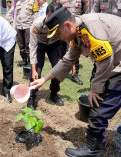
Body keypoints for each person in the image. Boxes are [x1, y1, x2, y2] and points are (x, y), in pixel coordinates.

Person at [31, 7, 121, 156]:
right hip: (114, 62)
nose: (58, 37)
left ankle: (93, 149)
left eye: (58, 33)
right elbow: (67, 60)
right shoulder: (78, 32)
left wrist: (95, 89)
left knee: (100, 102)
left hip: (116, 64)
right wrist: (44, 79)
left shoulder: (89, 29)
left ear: (68, 25)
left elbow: (106, 60)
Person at [27, 2, 65, 110]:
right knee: (36, 73)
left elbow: (67, 42)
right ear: (46, 14)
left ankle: (54, 93)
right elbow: (33, 47)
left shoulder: (62, 24)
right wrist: (33, 69)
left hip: (54, 44)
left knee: (58, 68)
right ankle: (31, 98)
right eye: (50, 17)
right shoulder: (36, 25)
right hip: (40, 45)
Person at [56, 0, 88, 85]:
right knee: (62, 51)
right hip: (63, 29)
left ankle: (75, 74)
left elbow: (85, 12)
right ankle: (62, 71)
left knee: (75, 51)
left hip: (76, 29)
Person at [14, 0, 36, 67]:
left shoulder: (32, 2)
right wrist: (14, 27)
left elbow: (35, 15)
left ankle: (30, 60)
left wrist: (34, 26)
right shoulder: (18, 3)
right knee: (20, 44)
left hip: (28, 26)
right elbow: (15, 15)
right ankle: (24, 60)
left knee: (28, 44)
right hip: (19, 26)